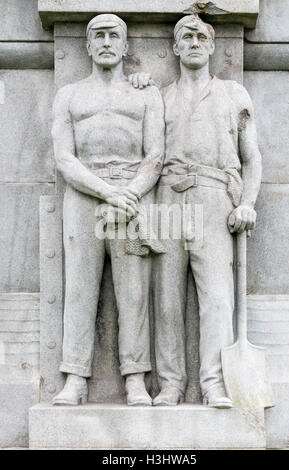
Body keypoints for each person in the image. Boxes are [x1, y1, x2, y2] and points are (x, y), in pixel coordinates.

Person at [131, 14, 262, 408]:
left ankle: (214, 383)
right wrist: (136, 82)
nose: (193, 42)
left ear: (211, 45)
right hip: (169, 197)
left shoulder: (233, 94)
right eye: (185, 37)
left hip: (214, 198)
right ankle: (170, 383)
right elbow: (149, 157)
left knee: (218, 298)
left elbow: (252, 158)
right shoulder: (158, 96)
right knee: (167, 298)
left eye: (200, 36)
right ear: (174, 47)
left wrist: (247, 204)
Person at [51, 14, 165, 406]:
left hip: (133, 193)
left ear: (125, 45)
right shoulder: (69, 94)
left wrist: (129, 192)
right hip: (85, 192)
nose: (105, 41)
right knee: (79, 287)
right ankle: (76, 378)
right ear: (86, 45)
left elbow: (156, 154)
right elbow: (64, 157)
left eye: (113, 35)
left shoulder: (146, 93)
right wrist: (106, 191)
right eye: (97, 35)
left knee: (133, 291)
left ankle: (135, 377)